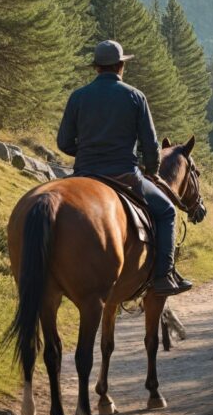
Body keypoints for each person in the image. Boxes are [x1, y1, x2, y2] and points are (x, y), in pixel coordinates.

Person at [56, 40, 192, 296]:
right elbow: (150, 145)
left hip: (85, 174)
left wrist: (87, 152)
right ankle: (164, 275)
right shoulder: (135, 96)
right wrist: (151, 171)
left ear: (96, 67)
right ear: (120, 66)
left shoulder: (78, 96)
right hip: (125, 175)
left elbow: (64, 142)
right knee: (167, 212)